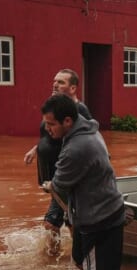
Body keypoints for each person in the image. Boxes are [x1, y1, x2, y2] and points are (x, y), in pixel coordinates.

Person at [40, 94, 125, 270]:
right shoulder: (88, 128)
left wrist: (51, 185)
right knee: (80, 261)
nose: (47, 129)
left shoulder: (76, 148)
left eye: (51, 124)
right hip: (92, 212)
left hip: (99, 220)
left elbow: (59, 185)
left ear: (67, 121)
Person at [24, 69, 93, 256]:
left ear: (73, 88)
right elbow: (49, 133)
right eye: (54, 80)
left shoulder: (79, 110)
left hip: (66, 175)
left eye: (61, 82)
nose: (55, 84)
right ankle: (80, 253)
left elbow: (86, 140)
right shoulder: (54, 107)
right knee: (69, 215)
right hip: (54, 174)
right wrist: (36, 149)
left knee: (51, 222)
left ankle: (52, 260)